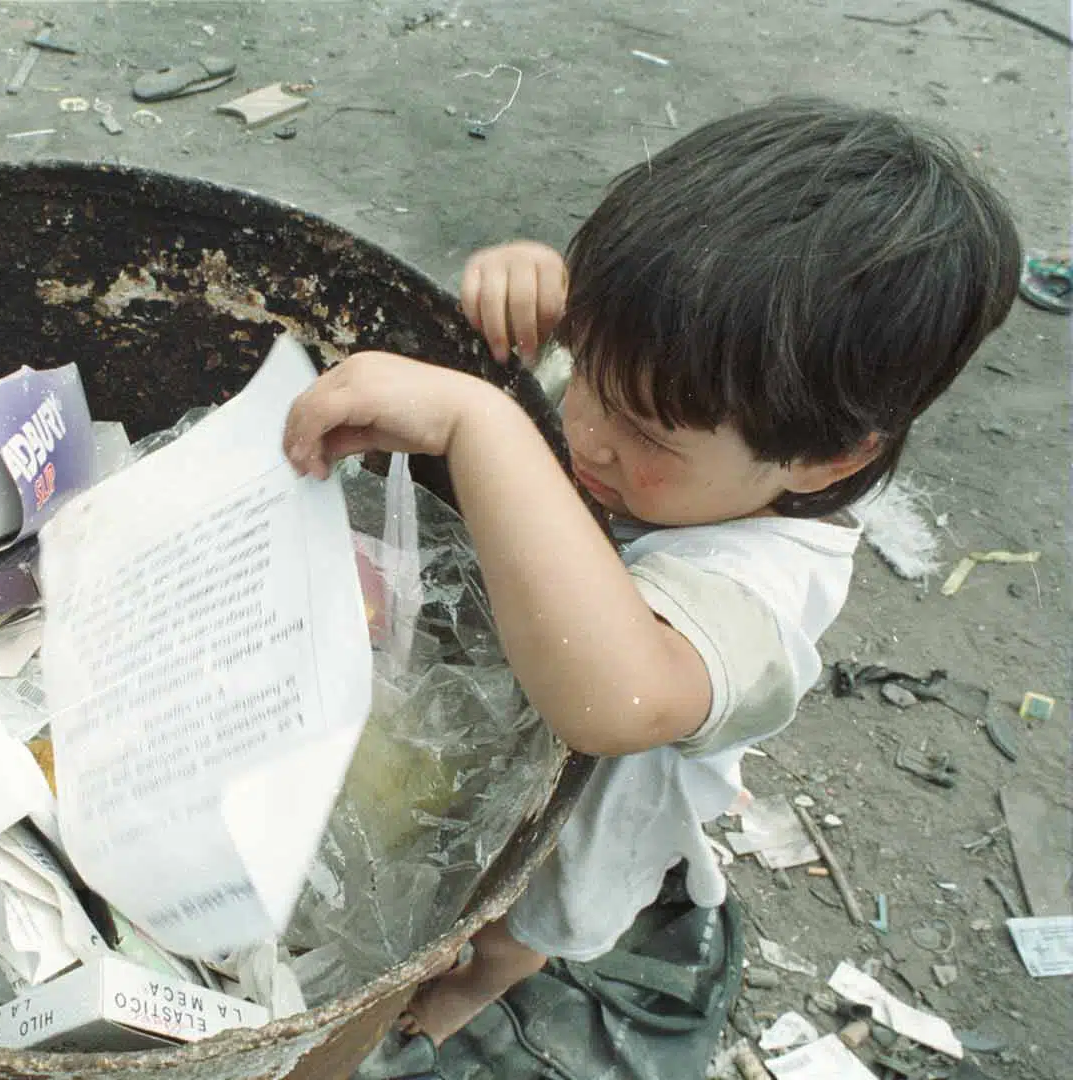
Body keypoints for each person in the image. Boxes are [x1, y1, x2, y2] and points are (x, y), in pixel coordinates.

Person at [283, 97, 1018, 1044]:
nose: (583, 427)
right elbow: (606, 369)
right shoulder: (680, 385)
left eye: (641, 430)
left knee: (525, 919)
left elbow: (612, 705)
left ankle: (483, 984)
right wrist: (537, 288)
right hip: (502, 704)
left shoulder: (768, 580)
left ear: (826, 461)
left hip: (592, 805)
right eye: (585, 365)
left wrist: (486, 422)